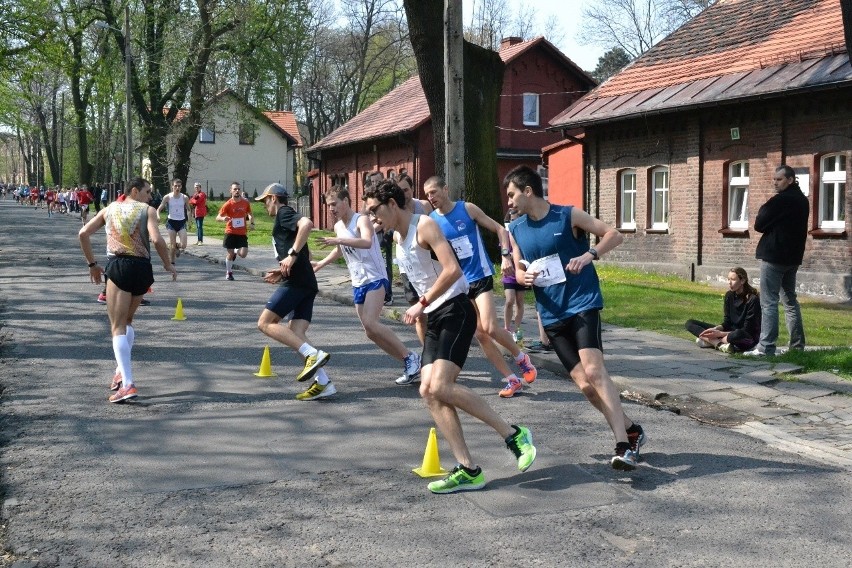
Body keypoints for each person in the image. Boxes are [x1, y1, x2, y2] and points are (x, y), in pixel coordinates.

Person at [364, 180, 536, 494]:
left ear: (391, 203)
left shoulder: (424, 226)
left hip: (456, 311)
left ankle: (514, 434)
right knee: (429, 392)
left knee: (441, 385)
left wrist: (421, 303)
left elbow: (452, 270)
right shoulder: (399, 238)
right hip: (435, 319)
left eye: (375, 210)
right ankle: (468, 469)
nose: (374, 218)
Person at [505, 165, 645, 471]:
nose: (509, 201)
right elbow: (517, 267)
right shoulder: (515, 229)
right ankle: (632, 428)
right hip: (551, 312)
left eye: (512, 194)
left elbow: (613, 234)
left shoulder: (568, 215)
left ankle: (623, 445)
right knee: (584, 385)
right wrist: (522, 276)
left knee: (595, 372)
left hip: (582, 302)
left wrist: (589, 255)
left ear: (528, 191)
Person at [425, 175, 537, 399]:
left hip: (480, 274)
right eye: (427, 195)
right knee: (480, 334)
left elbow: (500, 229)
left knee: (490, 327)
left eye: (434, 192)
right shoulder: (431, 221)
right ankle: (511, 379)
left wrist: (505, 256)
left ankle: (522, 359)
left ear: (445, 189)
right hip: (459, 282)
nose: (430, 198)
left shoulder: (466, 208)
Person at [78, 177, 176, 403]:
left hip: (119, 266)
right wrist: (167, 264)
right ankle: (121, 370)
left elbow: (83, 234)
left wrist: (93, 265)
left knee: (117, 326)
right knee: (128, 321)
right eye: (148, 192)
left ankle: (128, 384)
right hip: (143, 269)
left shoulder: (109, 209)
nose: (150, 196)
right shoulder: (148, 211)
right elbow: (157, 240)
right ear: (135, 190)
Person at [313, 187, 422, 383]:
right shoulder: (339, 226)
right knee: (369, 331)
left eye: (334, 204)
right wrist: (320, 264)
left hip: (375, 278)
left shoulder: (361, 220)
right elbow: (340, 250)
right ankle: (409, 361)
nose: (331, 209)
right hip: (358, 282)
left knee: (372, 322)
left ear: (345, 201)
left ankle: (410, 357)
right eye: (328, 206)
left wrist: (338, 239)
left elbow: (366, 242)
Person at [255, 183, 335, 401]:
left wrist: (291, 254)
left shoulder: (284, 212)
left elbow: (307, 223)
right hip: (305, 280)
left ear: (273, 198)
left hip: (298, 283)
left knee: (265, 323)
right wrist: (282, 270)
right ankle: (323, 382)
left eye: (265, 201)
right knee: (296, 333)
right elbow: (300, 254)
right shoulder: (282, 218)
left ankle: (312, 355)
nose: (265, 207)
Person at [744, 165, 809, 357]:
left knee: (769, 302)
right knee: (790, 301)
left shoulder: (781, 200)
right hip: (793, 258)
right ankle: (797, 347)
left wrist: (765, 210)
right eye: (774, 179)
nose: (775, 182)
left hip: (774, 257)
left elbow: (759, 223)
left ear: (790, 180)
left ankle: (766, 347)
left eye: (779, 179)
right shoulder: (802, 201)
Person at [393, 173, 433, 374]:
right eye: (399, 191)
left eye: (406, 190)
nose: (404, 194)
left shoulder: (423, 207)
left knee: (434, 311)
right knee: (420, 316)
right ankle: (428, 353)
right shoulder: (395, 210)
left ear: (412, 189)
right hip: (407, 269)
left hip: (426, 266)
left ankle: (437, 352)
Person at [686, 267, 760, 354]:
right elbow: (727, 322)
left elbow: (747, 330)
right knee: (690, 323)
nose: (729, 282)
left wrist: (719, 334)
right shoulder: (729, 295)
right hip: (727, 332)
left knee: (737, 334)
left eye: (733, 279)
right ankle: (719, 344)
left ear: (742, 281)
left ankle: (709, 341)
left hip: (745, 337)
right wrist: (714, 329)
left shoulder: (752, 299)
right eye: (728, 279)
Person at [216, 181, 254, 280]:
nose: (237, 191)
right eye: (235, 189)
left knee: (243, 254)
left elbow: (250, 213)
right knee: (230, 253)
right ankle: (229, 272)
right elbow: (218, 217)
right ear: (231, 191)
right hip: (230, 232)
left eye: (238, 189)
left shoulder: (245, 202)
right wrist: (223, 218)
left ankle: (236, 250)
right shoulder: (228, 204)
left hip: (242, 233)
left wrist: (252, 222)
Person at [502, 208, 526, 346]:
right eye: (511, 220)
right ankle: (507, 328)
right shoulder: (506, 235)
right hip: (509, 273)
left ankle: (517, 329)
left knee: (520, 301)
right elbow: (503, 252)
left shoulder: (524, 234)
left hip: (521, 271)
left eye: (516, 219)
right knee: (509, 300)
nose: (514, 222)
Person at [158, 179, 192, 264]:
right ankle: (172, 263)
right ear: (172, 186)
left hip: (181, 222)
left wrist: (190, 221)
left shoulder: (184, 197)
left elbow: (188, 209)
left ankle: (178, 246)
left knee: (183, 245)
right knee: (172, 247)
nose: (177, 187)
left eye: (179, 186)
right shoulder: (168, 197)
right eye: (175, 186)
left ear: (181, 187)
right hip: (171, 222)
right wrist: (158, 216)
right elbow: (159, 209)